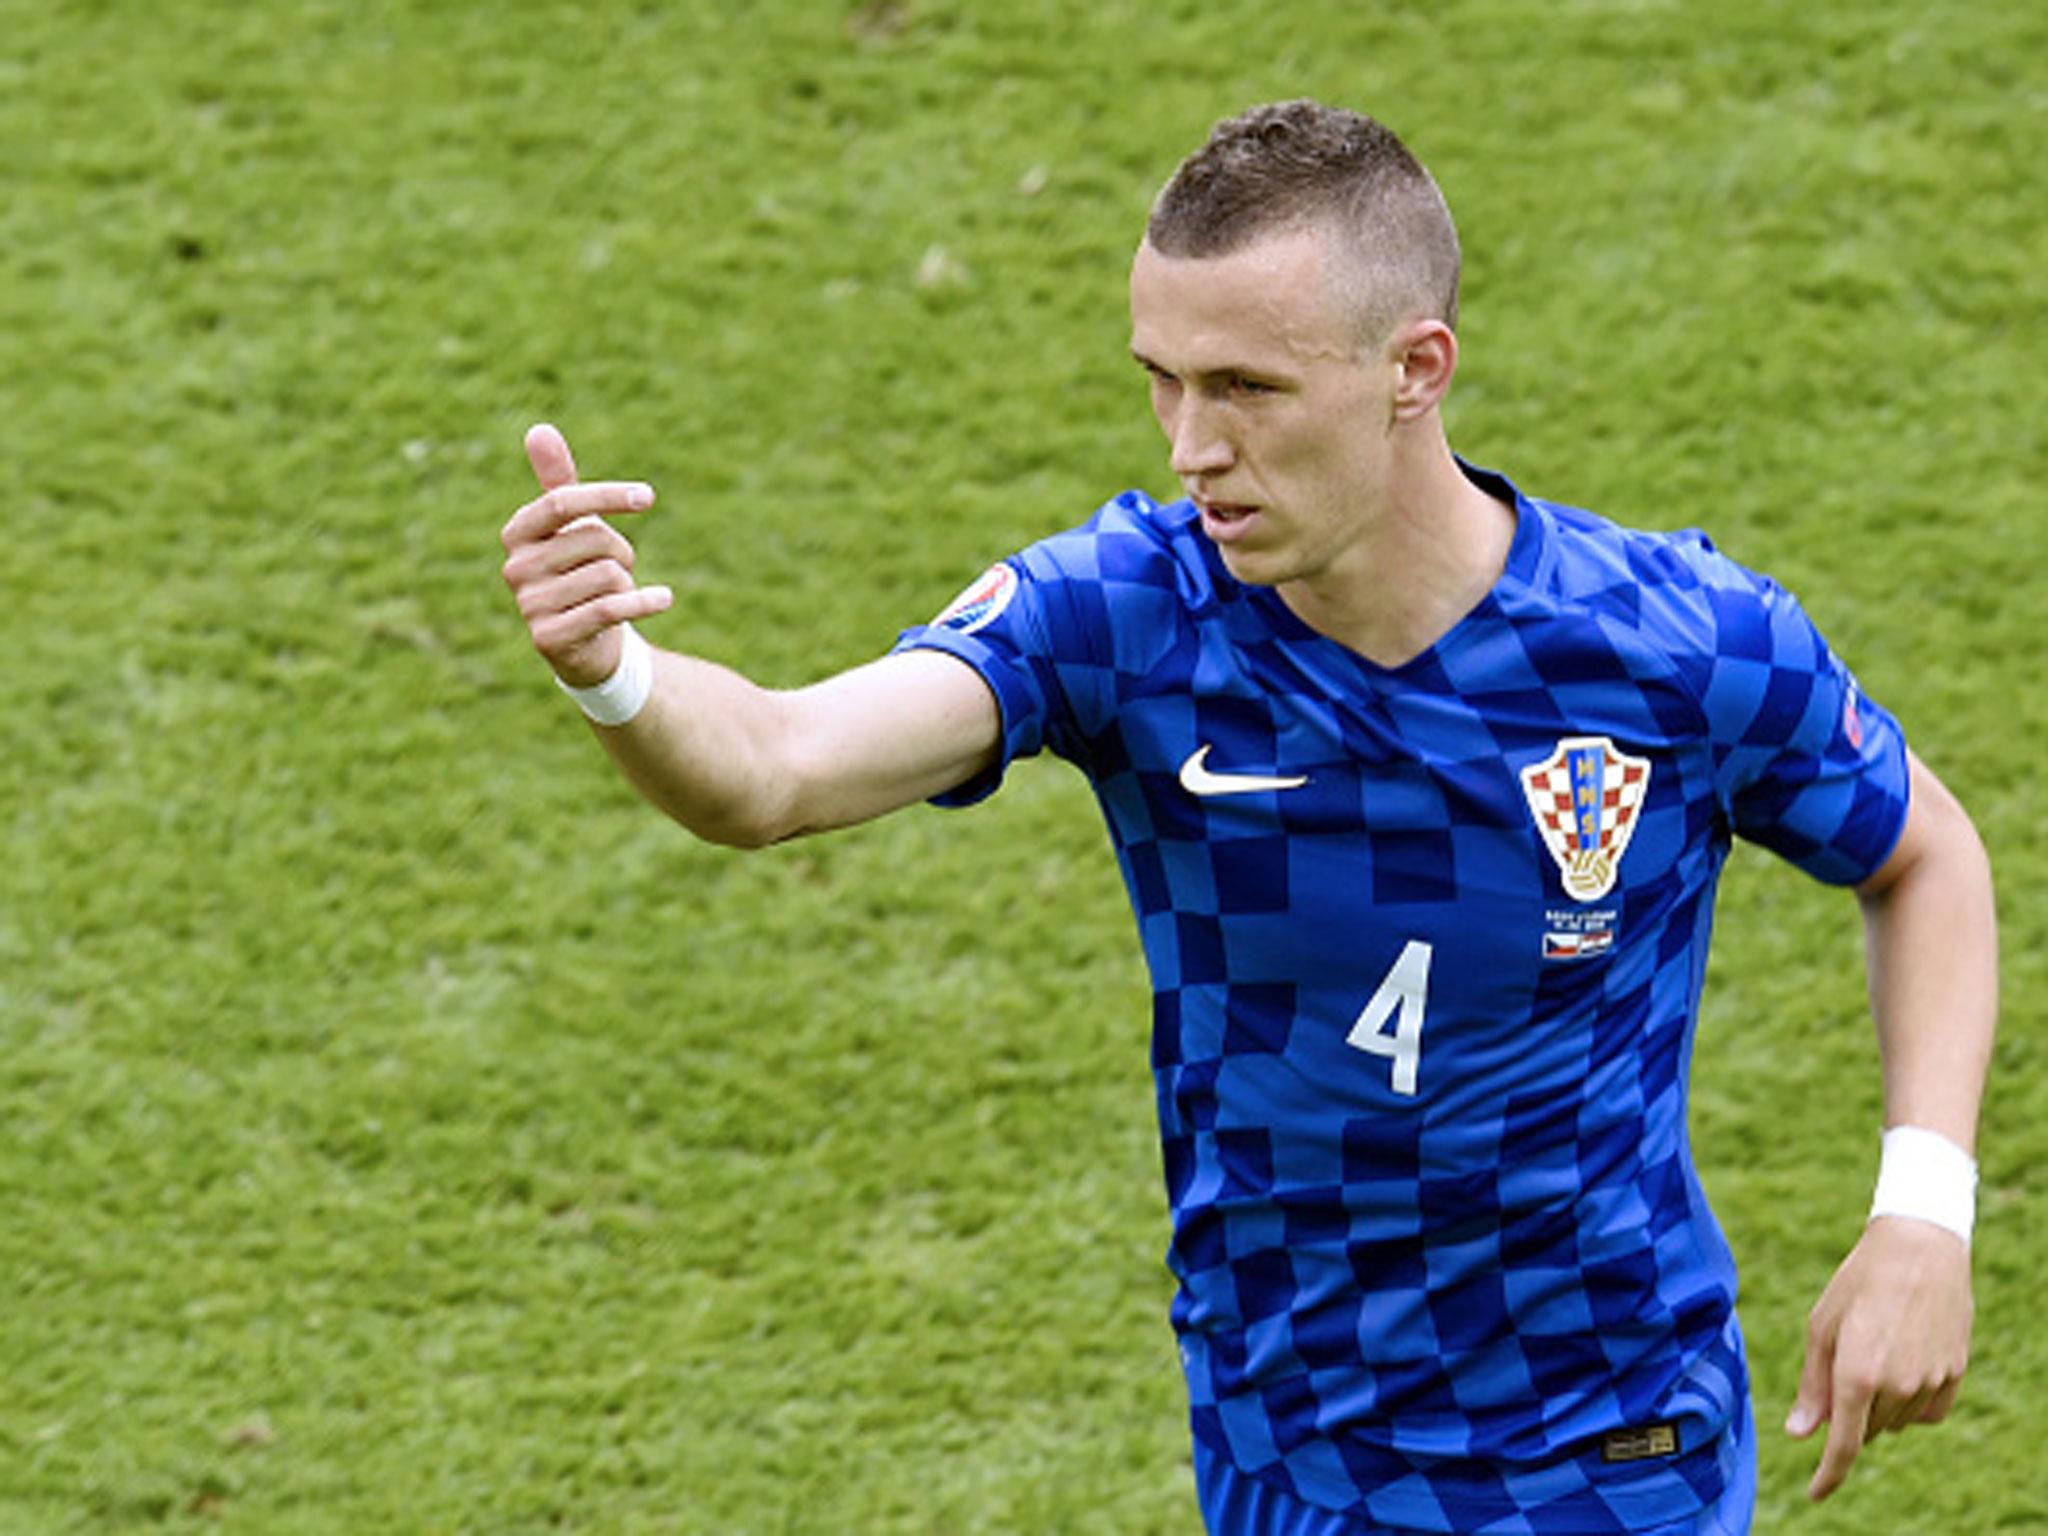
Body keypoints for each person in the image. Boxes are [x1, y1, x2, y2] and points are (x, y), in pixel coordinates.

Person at [498, 101, 1995, 1535]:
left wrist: (1922, 1210)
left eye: (1246, 391)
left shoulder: (1674, 649)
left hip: (1604, 1452)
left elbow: (1923, 852)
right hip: (1285, 1452)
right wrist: (613, 670)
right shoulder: (1131, 617)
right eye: (1164, 378)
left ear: (1416, 367)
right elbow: (774, 768)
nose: (1188, 447)